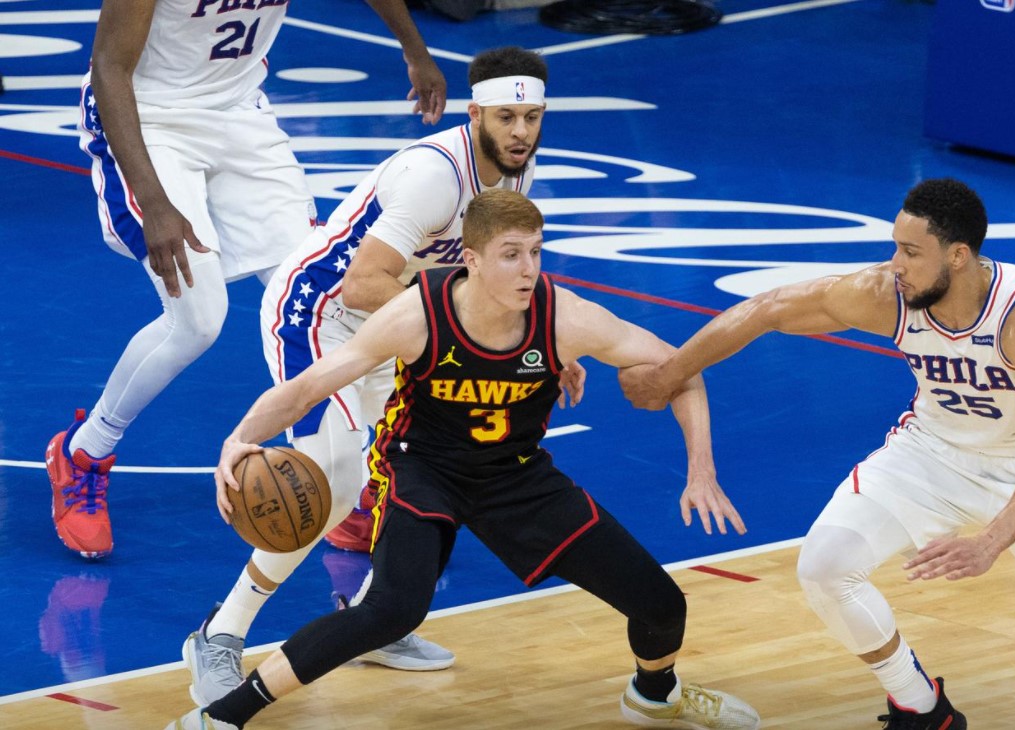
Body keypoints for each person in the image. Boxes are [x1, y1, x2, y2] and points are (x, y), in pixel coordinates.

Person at [618, 178, 1015, 729]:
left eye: (910, 252)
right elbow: (768, 309)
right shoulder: (886, 293)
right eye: (895, 246)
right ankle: (923, 710)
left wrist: (990, 543)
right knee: (824, 566)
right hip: (932, 453)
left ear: (959, 255)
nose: (895, 263)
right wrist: (673, 371)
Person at [166, 189, 760, 730]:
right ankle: (222, 716)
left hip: (515, 474)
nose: (529, 269)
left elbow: (682, 372)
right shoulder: (417, 315)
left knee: (662, 604)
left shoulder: (566, 318)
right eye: (510, 255)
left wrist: (700, 471)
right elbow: (308, 386)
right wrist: (237, 439)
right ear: (471, 260)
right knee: (391, 610)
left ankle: (654, 694)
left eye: (535, 251)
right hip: (422, 468)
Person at [181, 46, 583, 706]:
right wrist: (464, 327)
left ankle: (375, 619)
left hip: (406, 318)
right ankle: (219, 636)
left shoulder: (515, 171)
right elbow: (362, 283)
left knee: (438, 463)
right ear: (476, 111)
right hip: (322, 312)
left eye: (532, 117)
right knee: (333, 484)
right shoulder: (435, 174)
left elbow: (492, 270)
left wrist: (543, 340)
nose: (520, 132)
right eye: (507, 116)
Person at [47, 0, 448, 560]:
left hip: (238, 114)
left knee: (327, 299)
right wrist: (156, 202)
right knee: (198, 321)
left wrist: (415, 49)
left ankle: (355, 481)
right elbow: (111, 68)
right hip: (149, 118)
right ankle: (84, 452)